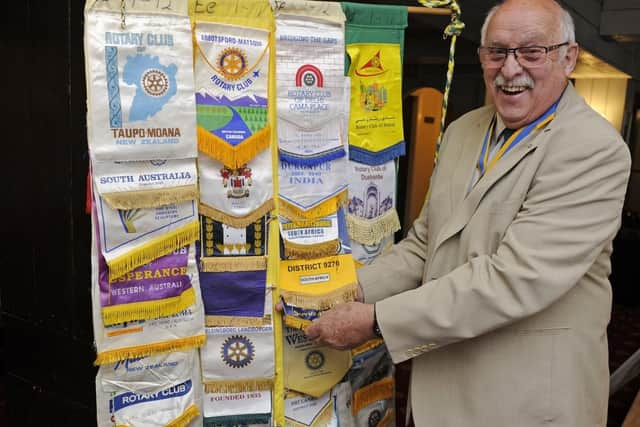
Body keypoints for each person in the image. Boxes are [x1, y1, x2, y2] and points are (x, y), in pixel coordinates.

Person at [303, 0, 631, 425]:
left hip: (524, 404)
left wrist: (376, 320)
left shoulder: (594, 150)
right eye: (497, 51)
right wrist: (348, 289)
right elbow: (425, 244)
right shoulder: (462, 131)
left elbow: (512, 279)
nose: (510, 69)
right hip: (437, 392)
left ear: (569, 57)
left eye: (532, 52)